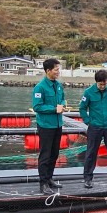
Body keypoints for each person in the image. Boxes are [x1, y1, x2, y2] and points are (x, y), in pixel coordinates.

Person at [32, 58, 67, 195]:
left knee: (54, 153)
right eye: (56, 69)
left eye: (59, 69)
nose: (58, 72)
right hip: (46, 125)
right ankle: (43, 183)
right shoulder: (40, 87)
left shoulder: (58, 85)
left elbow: (63, 98)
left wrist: (62, 105)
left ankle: (49, 178)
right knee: (45, 154)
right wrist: (54, 109)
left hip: (58, 124)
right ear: (48, 71)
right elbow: (37, 106)